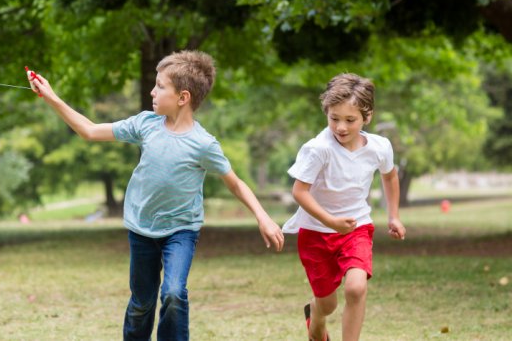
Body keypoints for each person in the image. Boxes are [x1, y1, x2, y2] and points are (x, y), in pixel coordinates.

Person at [27, 51, 284, 341]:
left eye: (160, 86)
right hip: (141, 228)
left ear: (183, 97)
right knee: (142, 304)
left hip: (181, 231)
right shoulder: (146, 124)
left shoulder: (203, 144)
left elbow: (236, 183)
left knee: (174, 293)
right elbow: (89, 130)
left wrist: (263, 217)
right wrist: (51, 97)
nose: (152, 91)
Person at [282, 73, 406, 341]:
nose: (340, 127)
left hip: (356, 228)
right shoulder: (318, 149)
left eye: (350, 120)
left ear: (367, 117)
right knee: (328, 305)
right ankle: (315, 319)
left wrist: (393, 216)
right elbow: (299, 192)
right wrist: (330, 222)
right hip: (315, 233)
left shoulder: (379, 147)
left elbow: (390, 175)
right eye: (334, 118)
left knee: (356, 288)